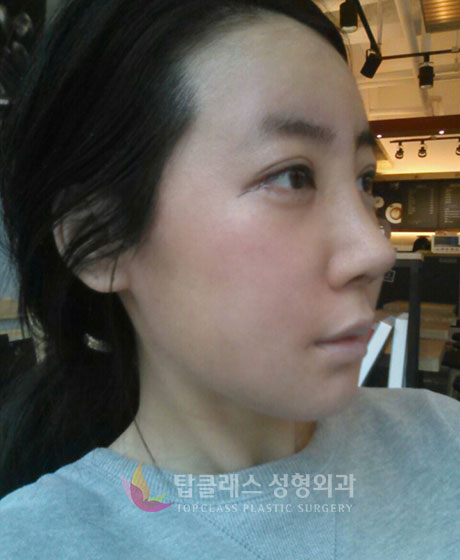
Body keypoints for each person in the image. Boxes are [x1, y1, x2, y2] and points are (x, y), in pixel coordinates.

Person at [0, 0, 459, 557]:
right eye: (292, 177)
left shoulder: (442, 439)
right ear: (101, 240)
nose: (375, 251)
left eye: (365, 181)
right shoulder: (35, 542)